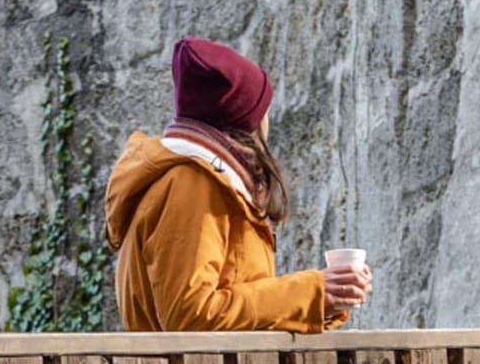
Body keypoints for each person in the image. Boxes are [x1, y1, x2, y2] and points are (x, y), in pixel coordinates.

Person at [106, 37, 371, 331]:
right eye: (264, 108)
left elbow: (231, 310)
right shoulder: (191, 183)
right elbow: (191, 316)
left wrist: (323, 300)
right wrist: (308, 293)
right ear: (248, 120)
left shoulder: (209, 180)